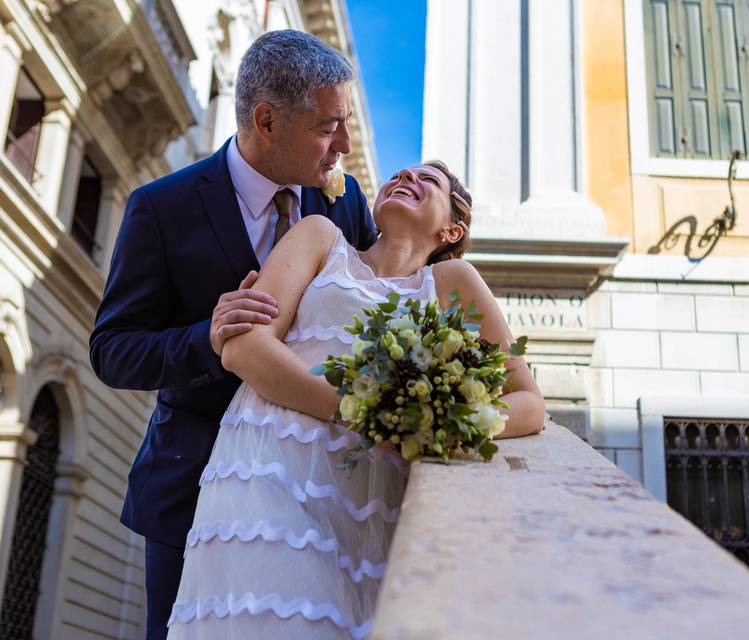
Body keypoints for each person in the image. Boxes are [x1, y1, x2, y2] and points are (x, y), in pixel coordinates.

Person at [165, 160, 545, 638]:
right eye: (401, 174)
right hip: (266, 467)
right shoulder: (320, 237)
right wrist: (364, 413)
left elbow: (528, 402)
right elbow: (245, 347)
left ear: (452, 229)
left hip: (373, 495)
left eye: (427, 180)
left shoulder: (454, 284)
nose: (407, 178)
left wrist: (440, 422)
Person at [88, 30, 378, 640]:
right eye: (328, 127)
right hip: (191, 490)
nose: (343, 146)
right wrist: (206, 338)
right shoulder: (159, 208)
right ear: (267, 121)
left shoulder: (346, 204)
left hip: (315, 489)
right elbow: (113, 351)